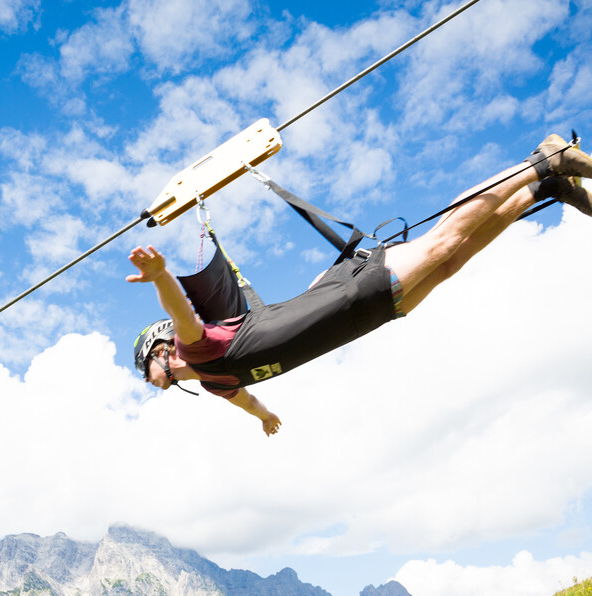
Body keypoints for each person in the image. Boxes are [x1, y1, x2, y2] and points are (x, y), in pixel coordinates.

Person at [128, 134, 592, 436]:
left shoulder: (196, 348)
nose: (146, 382)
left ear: (159, 350)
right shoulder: (213, 383)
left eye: (142, 369)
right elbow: (244, 397)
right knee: (449, 264)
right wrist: (264, 416)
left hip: (349, 293)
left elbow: (183, 313)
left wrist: (161, 277)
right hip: (366, 318)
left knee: (440, 243)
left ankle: (543, 160)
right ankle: (544, 190)